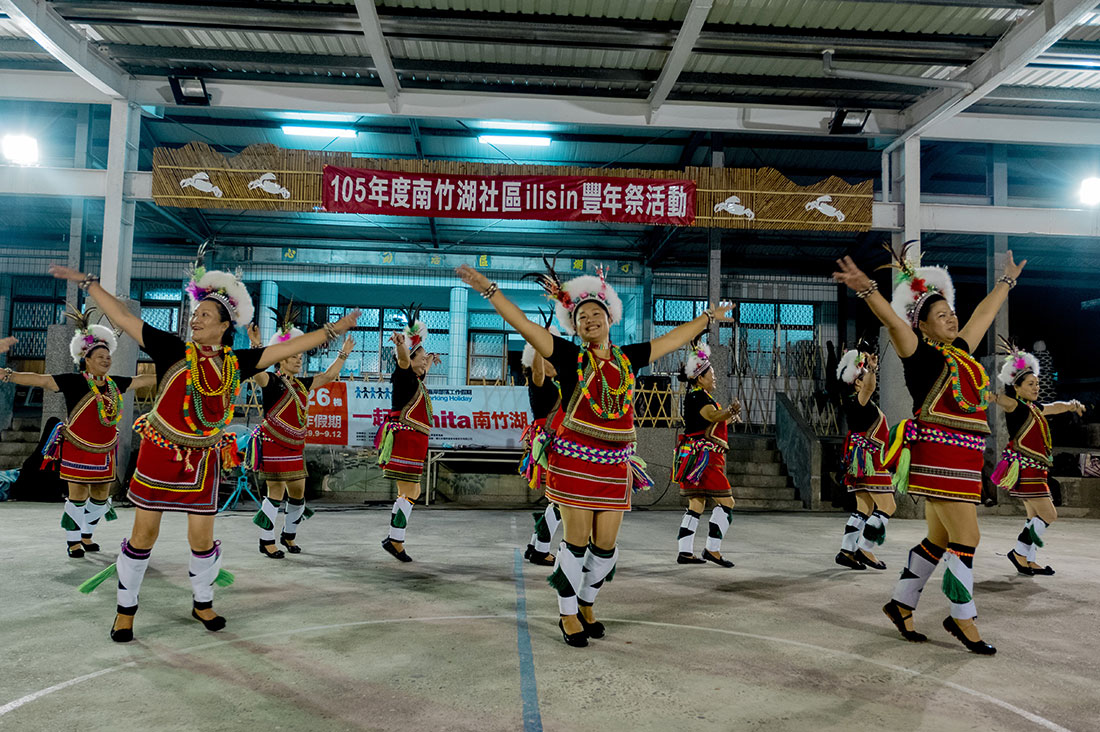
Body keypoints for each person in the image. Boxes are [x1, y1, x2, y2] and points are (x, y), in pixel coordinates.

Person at [52, 256, 360, 643]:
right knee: (144, 536)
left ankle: (203, 601)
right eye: (194, 313)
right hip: (159, 454)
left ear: (225, 325)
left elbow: (290, 348)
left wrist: (334, 329)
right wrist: (89, 284)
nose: (195, 319)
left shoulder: (238, 363)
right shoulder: (171, 349)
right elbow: (125, 319)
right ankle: (125, 610)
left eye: (205, 315)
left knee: (201, 540)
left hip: (204, 460)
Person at [457, 261, 732, 647]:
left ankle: (587, 602)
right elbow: (525, 326)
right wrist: (489, 289)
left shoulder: (628, 357)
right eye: (581, 316)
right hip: (574, 462)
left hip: (616, 465)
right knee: (576, 543)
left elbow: (671, 340)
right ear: (575, 325)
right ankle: (567, 613)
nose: (589, 320)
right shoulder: (569, 356)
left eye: (596, 314)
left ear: (609, 319)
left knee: (605, 549)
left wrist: (707, 317)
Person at [833, 241, 1025, 655]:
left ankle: (901, 604)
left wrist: (1007, 281)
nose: (952, 318)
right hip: (940, 457)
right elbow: (892, 322)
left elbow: (982, 315)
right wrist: (868, 290)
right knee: (967, 537)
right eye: (941, 315)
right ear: (922, 325)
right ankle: (962, 616)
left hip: (963, 456)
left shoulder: (960, 353)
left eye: (950, 311)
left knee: (939, 538)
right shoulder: (919, 357)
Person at [1, 307, 154, 556]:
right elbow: (40, 379)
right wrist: (8, 375)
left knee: (101, 496)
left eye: (108, 357)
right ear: (87, 360)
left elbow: (145, 380)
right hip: (77, 448)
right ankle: (73, 542)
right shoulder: (74, 382)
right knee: (78, 494)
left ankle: (87, 534)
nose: (106, 360)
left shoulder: (116, 384)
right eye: (101, 357)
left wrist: (178, 371)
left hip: (105, 451)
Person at [246, 307, 354, 558]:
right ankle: (266, 540)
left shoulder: (302, 384)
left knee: (298, 494)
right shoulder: (271, 382)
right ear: (281, 359)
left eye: (300, 357)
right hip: (274, 444)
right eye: (293, 356)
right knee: (276, 493)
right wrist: (256, 345)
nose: (299, 360)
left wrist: (343, 354)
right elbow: (257, 370)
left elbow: (328, 376)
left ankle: (289, 535)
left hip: (295, 447)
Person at [992, 340, 1085, 576]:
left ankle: (1029, 560)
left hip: (1035, 468)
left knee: (1033, 516)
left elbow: (1055, 406)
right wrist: (991, 397)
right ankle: (1019, 553)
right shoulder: (1016, 406)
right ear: (1017, 386)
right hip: (1028, 469)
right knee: (1049, 514)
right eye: (1031, 384)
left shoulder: (1035, 407)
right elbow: (1002, 400)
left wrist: (1071, 405)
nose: (1036, 388)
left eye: (1037, 384)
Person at [377, 304, 441, 562]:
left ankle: (394, 537)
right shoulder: (403, 375)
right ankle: (395, 540)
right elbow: (404, 360)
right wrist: (403, 344)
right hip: (405, 443)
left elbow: (415, 366)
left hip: (412, 445)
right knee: (409, 492)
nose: (425, 360)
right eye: (422, 357)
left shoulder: (414, 382)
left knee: (410, 492)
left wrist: (427, 360)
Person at [673, 336, 741, 568]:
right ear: (700, 377)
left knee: (696, 504)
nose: (715, 377)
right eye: (711, 374)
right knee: (727, 502)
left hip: (694, 457)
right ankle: (712, 549)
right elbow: (712, 416)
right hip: (704, 460)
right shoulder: (699, 397)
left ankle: (685, 552)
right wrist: (728, 411)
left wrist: (728, 416)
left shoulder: (698, 396)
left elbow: (712, 423)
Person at [833, 347, 896, 571]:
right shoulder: (858, 401)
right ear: (856, 383)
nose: (867, 381)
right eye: (862, 377)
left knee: (864, 508)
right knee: (888, 506)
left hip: (861, 460)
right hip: (870, 461)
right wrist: (871, 368)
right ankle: (866, 547)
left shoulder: (855, 404)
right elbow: (870, 386)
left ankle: (846, 551)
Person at [520, 318, 563, 567]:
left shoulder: (556, 384)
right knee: (558, 500)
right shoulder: (539, 381)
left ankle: (535, 544)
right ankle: (541, 550)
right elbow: (537, 369)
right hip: (551, 444)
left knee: (554, 500)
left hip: (556, 442)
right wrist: (538, 342)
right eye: (549, 358)